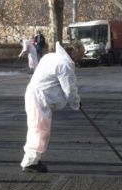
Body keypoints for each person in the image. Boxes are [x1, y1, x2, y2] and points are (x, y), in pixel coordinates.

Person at [20, 41, 84, 173]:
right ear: (74, 50)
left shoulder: (50, 56)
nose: (82, 58)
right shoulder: (64, 65)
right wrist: (76, 103)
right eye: (81, 54)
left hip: (35, 95)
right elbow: (69, 90)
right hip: (40, 98)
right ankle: (30, 162)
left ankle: (33, 158)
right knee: (39, 129)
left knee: (37, 128)